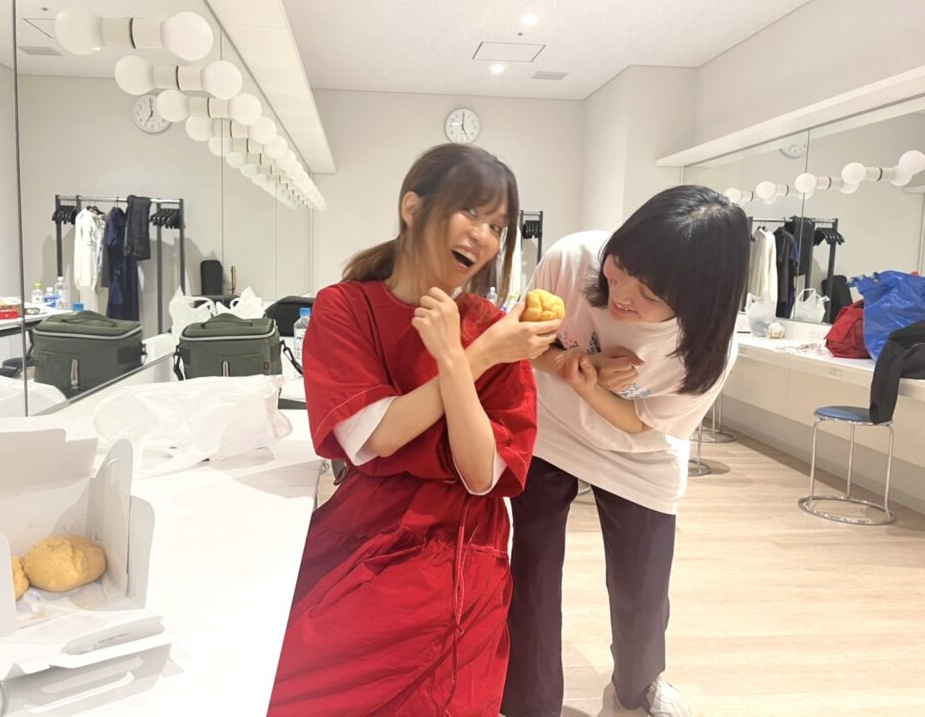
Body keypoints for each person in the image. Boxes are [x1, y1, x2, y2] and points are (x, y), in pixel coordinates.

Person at [269, 143, 562, 716]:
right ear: (412, 207)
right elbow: (376, 436)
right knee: (286, 678)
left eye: (497, 226)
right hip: (366, 528)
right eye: (470, 212)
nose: (483, 236)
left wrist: (461, 354)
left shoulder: (497, 329)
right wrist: (476, 356)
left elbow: (481, 476)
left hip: (463, 546)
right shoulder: (345, 308)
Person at [501, 185, 750, 717]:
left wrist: (592, 388)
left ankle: (636, 690)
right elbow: (523, 341)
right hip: (551, 429)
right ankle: (529, 704)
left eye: (650, 294)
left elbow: (643, 426)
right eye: (621, 269)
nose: (622, 296)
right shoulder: (574, 259)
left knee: (643, 588)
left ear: (698, 300)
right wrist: (572, 366)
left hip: (640, 455)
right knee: (533, 569)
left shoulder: (708, 347)